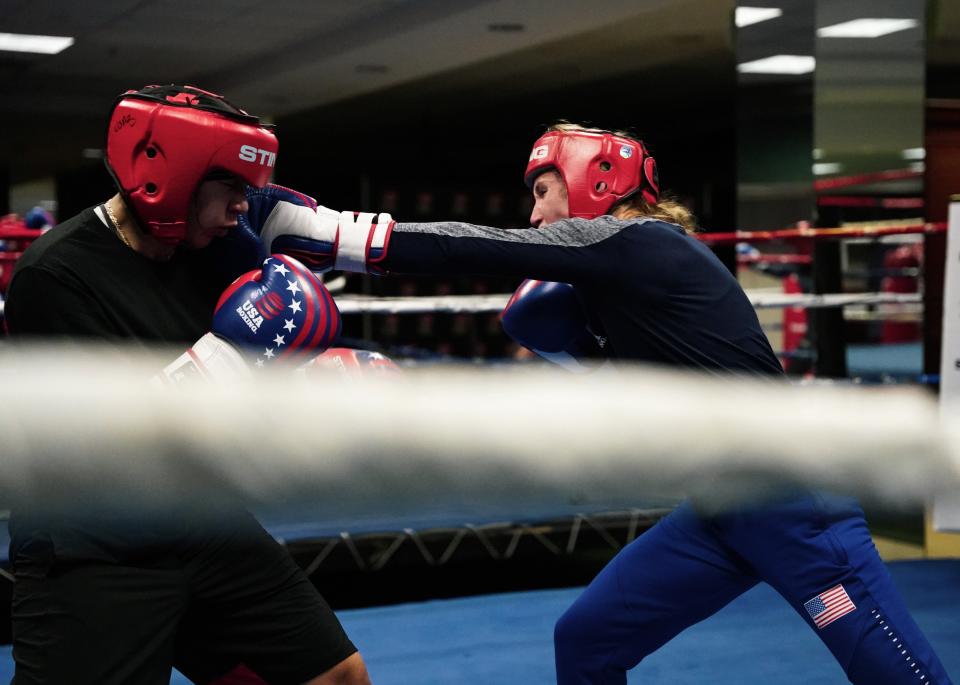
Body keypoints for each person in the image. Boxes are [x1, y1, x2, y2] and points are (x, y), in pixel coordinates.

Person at [249, 123, 952, 684]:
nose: (534, 213)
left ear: (595, 182)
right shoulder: (619, 283)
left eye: (544, 190)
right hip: (719, 510)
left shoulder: (639, 242)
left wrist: (336, 236)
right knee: (585, 638)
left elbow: (481, 247)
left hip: (796, 500)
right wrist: (575, 352)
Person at [4, 84, 370, 685]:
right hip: (95, 545)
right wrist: (231, 355)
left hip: (203, 521)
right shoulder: (55, 274)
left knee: (336, 677)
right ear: (171, 176)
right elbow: (99, 443)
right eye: (230, 188)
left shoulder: (216, 250)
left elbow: (260, 375)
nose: (241, 208)